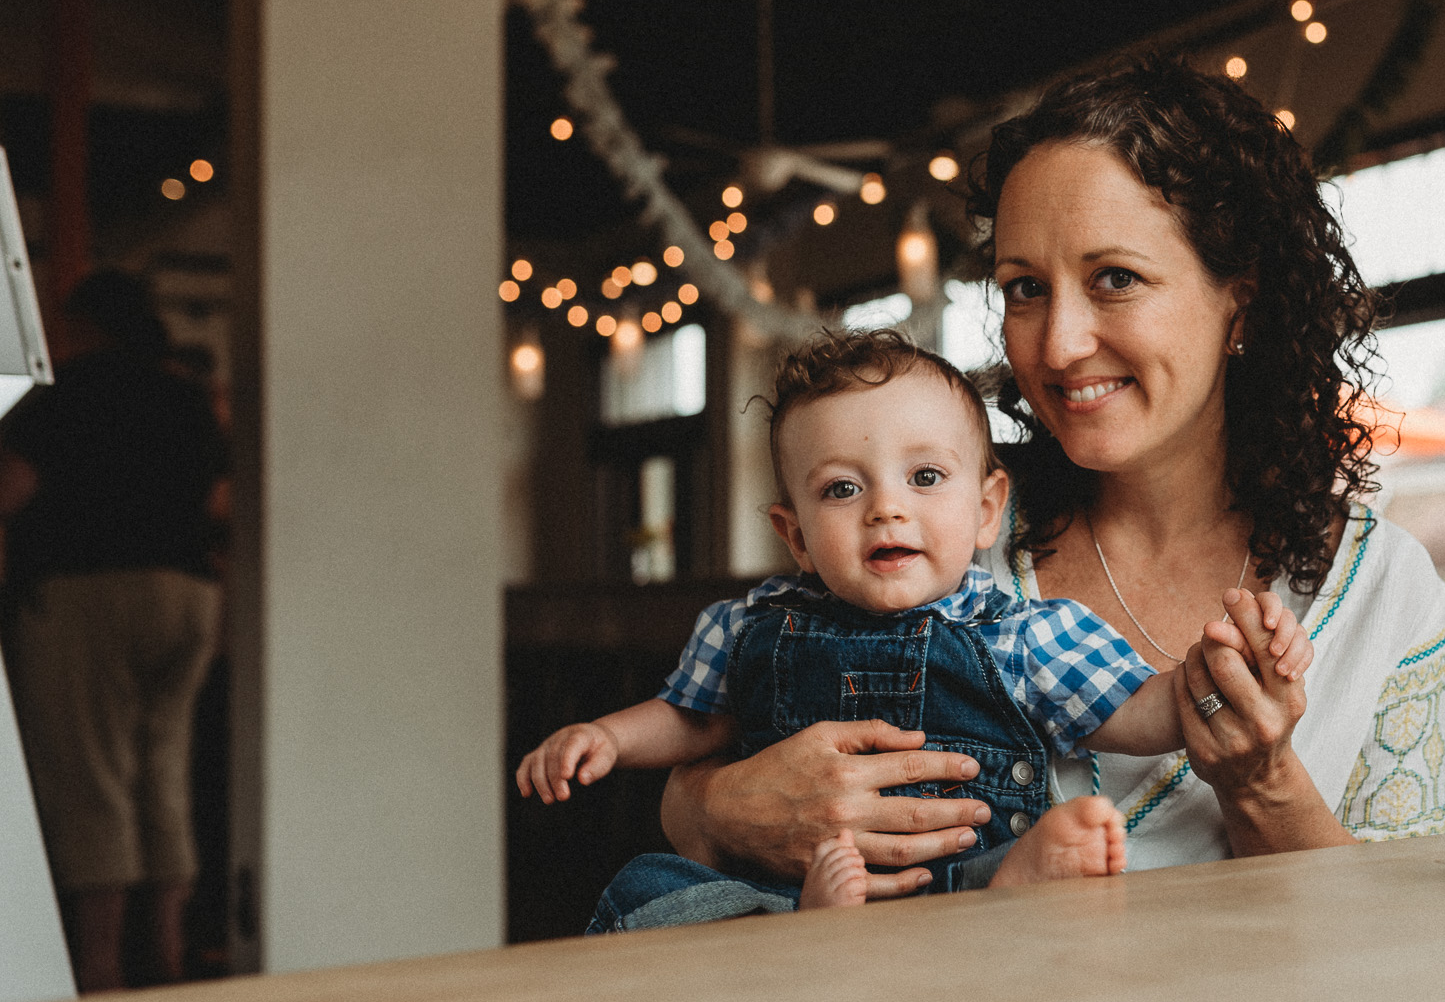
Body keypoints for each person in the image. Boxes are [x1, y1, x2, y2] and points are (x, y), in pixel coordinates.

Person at [650, 53, 1445, 895]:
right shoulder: (934, 524)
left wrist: (1261, 782)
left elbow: (1411, 920)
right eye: (1025, 288)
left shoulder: (1385, 590)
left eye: (1115, 279)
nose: (1058, 344)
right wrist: (724, 807)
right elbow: (699, 786)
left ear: (1241, 305)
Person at [521, 330, 1307, 925]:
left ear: (987, 508)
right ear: (793, 535)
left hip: (963, 876)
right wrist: (610, 737)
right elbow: (693, 718)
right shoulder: (748, 624)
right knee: (644, 886)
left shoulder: (1024, 633)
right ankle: (812, 924)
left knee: (999, 859)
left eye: (925, 477)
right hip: (782, 883)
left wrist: (1226, 667)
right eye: (840, 490)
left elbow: (1140, 708)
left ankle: (1017, 881)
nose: (885, 508)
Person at [2, 269, 229, 991]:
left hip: (89, 589)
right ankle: (164, 957)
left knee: (91, 776)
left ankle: (100, 969)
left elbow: (12, 488)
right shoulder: (184, 397)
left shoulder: (62, 393)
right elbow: (217, 496)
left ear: (81, 323)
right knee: (163, 772)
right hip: (188, 594)